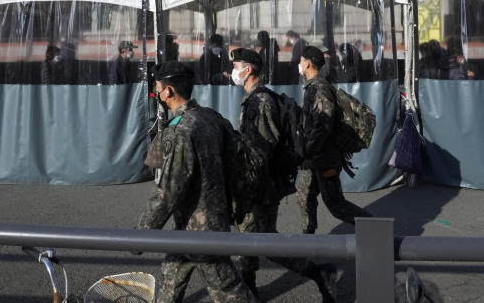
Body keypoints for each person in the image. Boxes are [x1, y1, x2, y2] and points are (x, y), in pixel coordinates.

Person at [138, 61, 252, 303]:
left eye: (158, 88)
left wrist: (141, 235)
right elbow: (237, 163)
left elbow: (167, 192)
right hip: (190, 227)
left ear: (168, 92)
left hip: (201, 232)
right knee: (170, 281)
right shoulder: (211, 117)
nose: (157, 94)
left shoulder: (181, 131)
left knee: (230, 291)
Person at [230, 48, 337, 302]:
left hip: (262, 186)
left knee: (264, 241)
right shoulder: (253, 99)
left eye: (237, 66)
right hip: (260, 184)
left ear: (249, 70)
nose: (234, 71)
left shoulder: (261, 102)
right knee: (251, 237)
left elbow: (261, 151)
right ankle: (250, 288)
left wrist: (243, 181)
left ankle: (318, 273)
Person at [297, 45, 372, 235]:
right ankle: (307, 237)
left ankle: (376, 229)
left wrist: (307, 153)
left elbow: (323, 126)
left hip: (325, 158)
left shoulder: (320, 90)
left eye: (301, 60)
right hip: (317, 157)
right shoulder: (313, 87)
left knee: (336, 204)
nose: (299, 63)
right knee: (304, 194)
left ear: (307, 64)